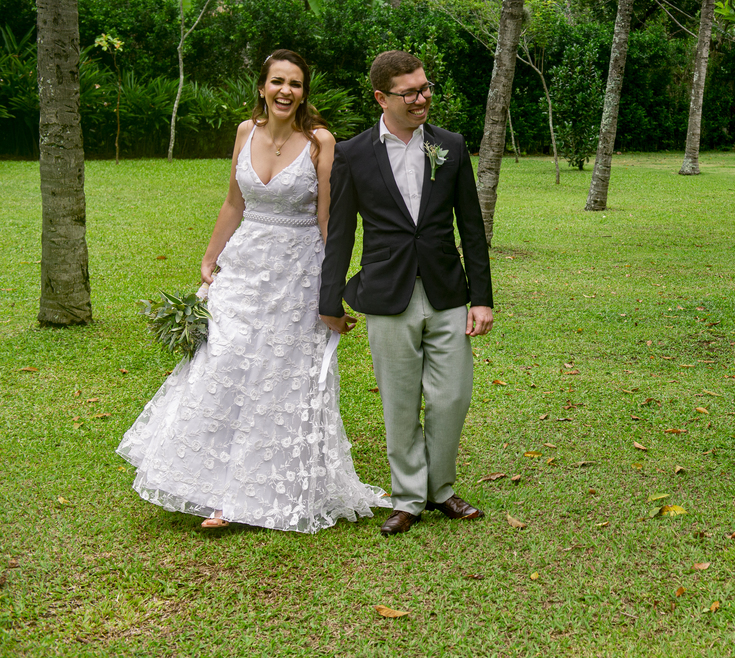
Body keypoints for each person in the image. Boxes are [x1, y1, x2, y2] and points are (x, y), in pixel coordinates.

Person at [117, 49, 387, 533]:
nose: (286, 91)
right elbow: (233, 203)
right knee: (224, 363)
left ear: (305, 92)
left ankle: (253, 494)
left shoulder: (320, 142)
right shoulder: (246, 131)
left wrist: (332, 293)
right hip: (243, 268)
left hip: (297, 272)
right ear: (263, 86)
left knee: (279, 375)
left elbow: (330, 221)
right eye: (278, 81)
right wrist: (208, 257)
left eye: (296, 84)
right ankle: (210, 485)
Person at [319, 50, 493, 537]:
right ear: (382, 97)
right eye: (410, 92)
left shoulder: (451, 146)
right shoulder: (353, 154)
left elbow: (472, 228)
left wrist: (482, 297)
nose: (423, 98)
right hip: (386, 291)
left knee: (452, 396)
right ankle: (410, 497)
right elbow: (341, 234)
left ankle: (442, 489)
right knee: (399, 400)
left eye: (425, 87)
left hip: (446, 290)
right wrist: (329, 301)